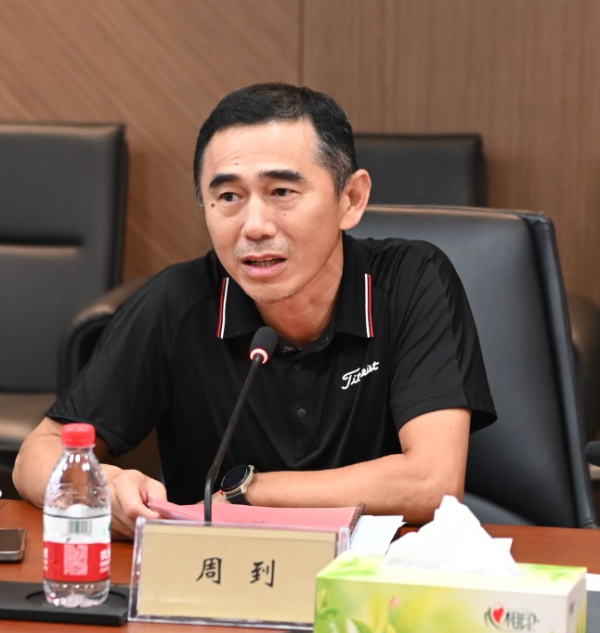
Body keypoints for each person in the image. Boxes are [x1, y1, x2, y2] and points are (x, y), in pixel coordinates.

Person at [13, 83, 496, 539]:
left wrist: (248, 491)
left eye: (282, 192)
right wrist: (107, 485)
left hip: (370, 581)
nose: (255, 226)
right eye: (229, 197)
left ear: (351, 199)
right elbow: (36, 455)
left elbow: (431, 482)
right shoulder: (179, 302)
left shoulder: (410, 280)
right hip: (214, 577)